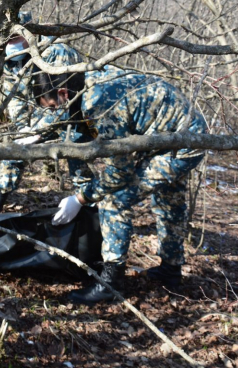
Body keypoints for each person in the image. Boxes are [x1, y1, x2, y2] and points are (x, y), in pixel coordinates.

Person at [31, 64, 207, 304]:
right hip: (172, 133)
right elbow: (76, 127)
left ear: (63, 93)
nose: (54, 113)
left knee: (115, 199)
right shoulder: (83, 82)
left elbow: (119, 173)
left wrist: (81, 198)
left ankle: (110, 284)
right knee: (169, 202)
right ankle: (171, 271)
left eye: (53, 107)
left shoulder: (99, 103)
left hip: (183, 142)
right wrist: (42, 135)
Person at [0, 12, 94, 211]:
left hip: (75, 114)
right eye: (8, 38)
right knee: (14, 149)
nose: (12, 42)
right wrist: (22, 129)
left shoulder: (56, 52)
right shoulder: (12, 60)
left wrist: (36, 132)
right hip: (40, 115)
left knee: (77, 153)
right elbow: (15, 98)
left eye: (16, 37)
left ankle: (86, 204)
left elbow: (63, 102)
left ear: (30, 32)